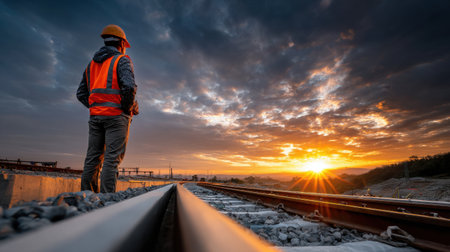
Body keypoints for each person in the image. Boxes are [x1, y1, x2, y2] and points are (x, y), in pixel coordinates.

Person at [76, 24, 139, 193]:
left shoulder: (91, 65)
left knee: (92, 159)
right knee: (111, 159)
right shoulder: (122, 60)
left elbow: (81, 93)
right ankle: (106, 200)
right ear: (122, 44)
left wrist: (97, 106)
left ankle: (87, 198)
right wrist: (127, 109)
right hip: (116, 117)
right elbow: (129, 87)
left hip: (95, 118)